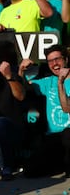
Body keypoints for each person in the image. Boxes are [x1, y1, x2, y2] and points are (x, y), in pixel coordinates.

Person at [18, 44, 70, 177]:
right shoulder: (47, 81)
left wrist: (60, 83)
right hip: (53, 137)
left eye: (57, 59)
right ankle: (60, 164)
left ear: (66, 59)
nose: (54, 64)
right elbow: (22, 91)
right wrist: (21, 71)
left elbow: (67, 108)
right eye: (50, 61)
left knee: (67, 135)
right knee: (30, 171)